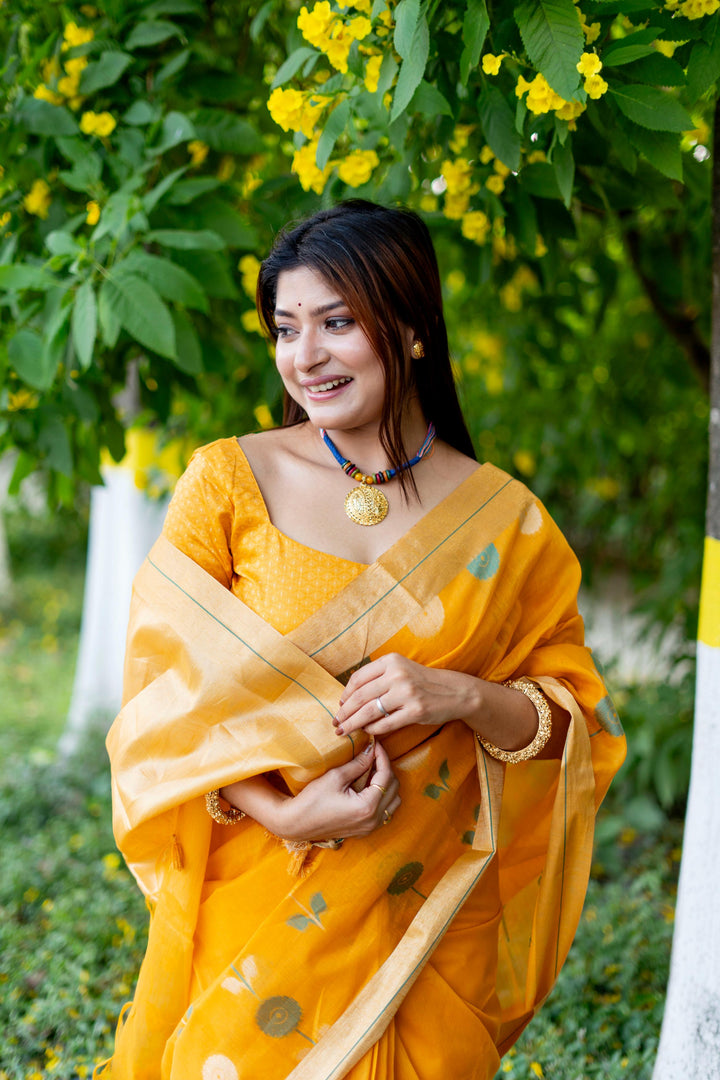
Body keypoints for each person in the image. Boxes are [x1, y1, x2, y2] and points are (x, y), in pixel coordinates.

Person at [98, 200, 625, 1080]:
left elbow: (574, 730)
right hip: (260, 910)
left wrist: (454, 693)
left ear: (411, 328)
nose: (305, 357)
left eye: (336, 323)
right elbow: (162, 711)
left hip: (430, 922)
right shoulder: (229, 483)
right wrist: (284, 810)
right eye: (286, 328)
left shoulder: (506, 520)